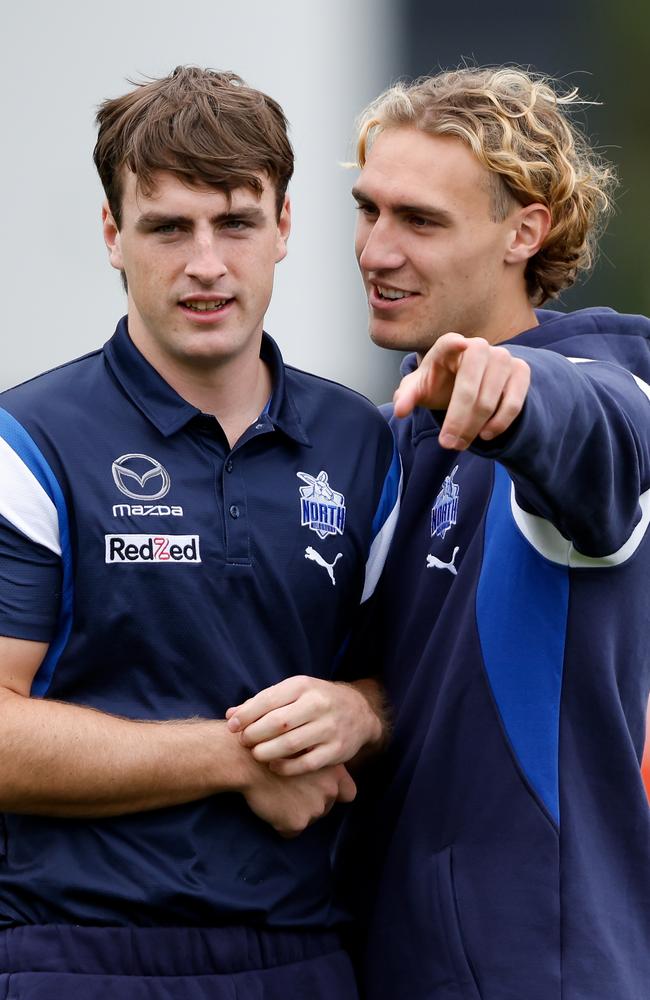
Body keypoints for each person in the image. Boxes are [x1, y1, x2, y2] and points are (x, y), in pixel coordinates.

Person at [0, 66, 400, 997]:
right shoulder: (30, 443)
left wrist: (363, 713)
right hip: (74, 953)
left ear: (287, 228)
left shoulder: (366, 445)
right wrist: (233, 759)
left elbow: (424, 689)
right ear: (113, 235)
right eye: (169, 227)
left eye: (235, 222)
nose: (206, 264)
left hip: (305, 956)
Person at [339, 66, 650, 1000]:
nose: (376, 250)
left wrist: (520, 398)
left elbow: (605, 431)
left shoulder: (593, 386)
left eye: (421, 221)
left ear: (526, 231)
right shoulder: (395, 431)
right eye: (369, 210)